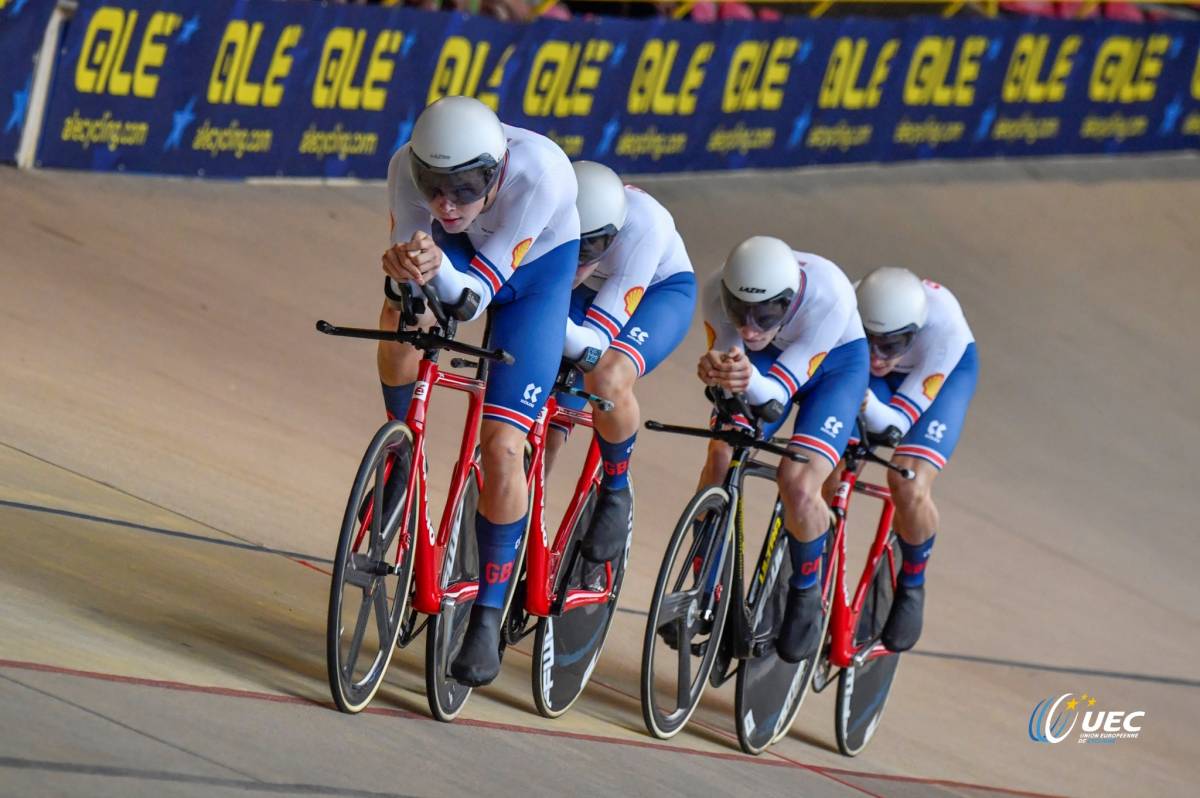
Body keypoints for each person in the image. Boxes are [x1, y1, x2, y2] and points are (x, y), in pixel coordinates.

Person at [379, 96, 578, 686]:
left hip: (534, 275)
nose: (445, 203)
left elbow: (471, 299)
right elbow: (417, 280)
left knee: (502, 447)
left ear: (494, 174)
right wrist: (401, 274)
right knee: (396, 314)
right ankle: (400, 452)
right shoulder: (402, 167)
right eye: (434, 186)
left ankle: (488, 611)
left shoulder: (540, 174)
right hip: (459, 257)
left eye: (464, 189)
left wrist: (430, 269)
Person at [696, 236, 868, 663]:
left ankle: (806, 592)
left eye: (766, 314)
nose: (751, 327)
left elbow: (775, 397)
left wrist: (739, 375)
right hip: (767, 365)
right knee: (722, 451)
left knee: (798, 482)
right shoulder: (715, 289)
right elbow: (732, 360)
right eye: (741, 313)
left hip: (833, 368)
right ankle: (703, 586)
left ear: (788, 303)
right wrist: (717, 368)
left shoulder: (830, 296)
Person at [544, 161, 697, 562]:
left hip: (655, 293)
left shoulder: (645, 228)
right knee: (542, 424)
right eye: (570, 247)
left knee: (607, 376)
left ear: (610, 238)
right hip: (587, 292)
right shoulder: (547, 204)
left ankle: (614, 489)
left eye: (589, 250)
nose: (578, 262)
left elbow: (594, 346)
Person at [850, 266, 978, 652]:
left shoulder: (944, 332)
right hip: (886, 382)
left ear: (914, 333)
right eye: (869, 341)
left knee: (907, 481)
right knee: (833, 463)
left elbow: (896, 422)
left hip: (940, 377)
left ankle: (912, 580)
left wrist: (868, 405)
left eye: (890, 345)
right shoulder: (849, 305)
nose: (877, 357)